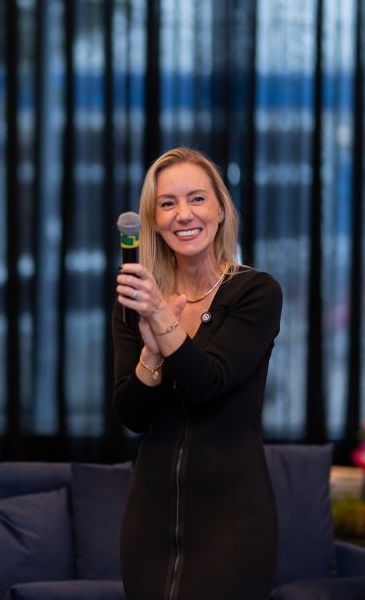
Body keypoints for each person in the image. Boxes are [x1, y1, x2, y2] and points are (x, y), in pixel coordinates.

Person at [112, 147, 283, 600]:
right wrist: (151, 355)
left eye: (197, 199)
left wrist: (160, 320)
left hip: (233, 523)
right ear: (153, 221)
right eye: (167, 203)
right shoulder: (138, 299)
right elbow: (132, 415)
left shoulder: (255, 292)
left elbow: (208, 384)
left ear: (221, 210)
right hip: (149, 521)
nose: (183, 214)